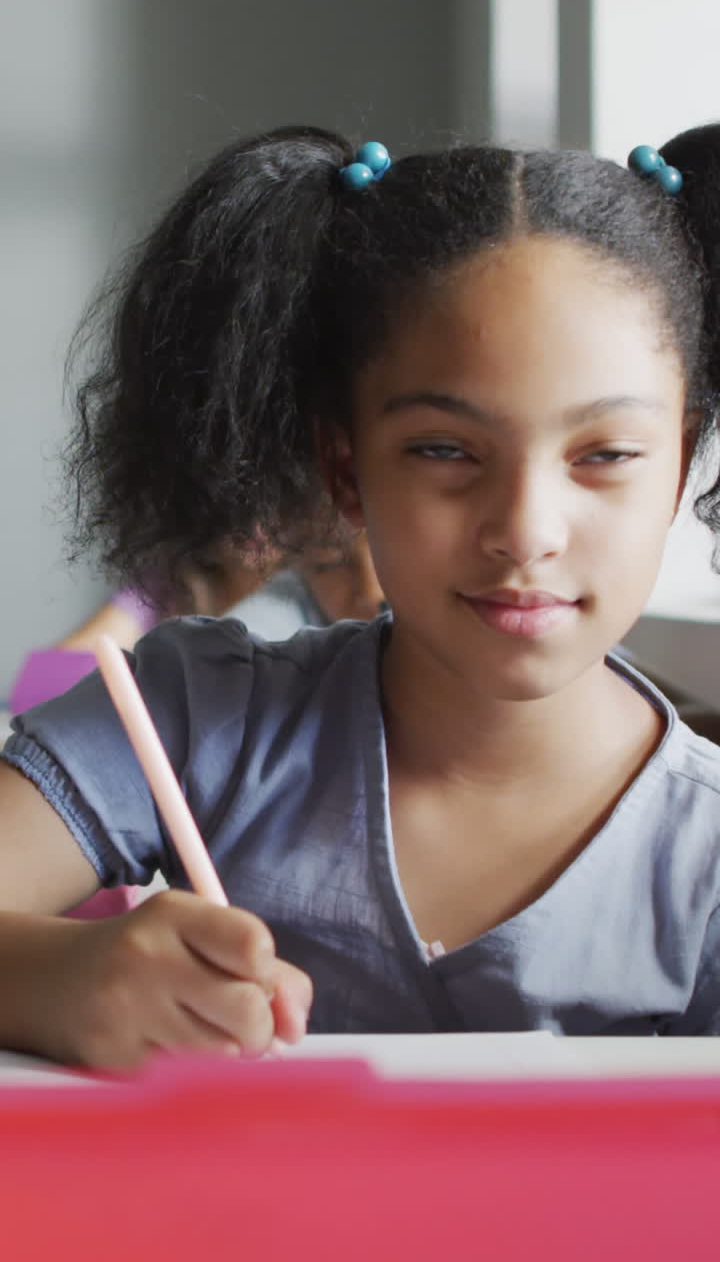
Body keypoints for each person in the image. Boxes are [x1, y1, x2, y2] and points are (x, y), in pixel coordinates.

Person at [1, 123, 720, 1069]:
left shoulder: (703, 858)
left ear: (678, 467)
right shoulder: (200, 717)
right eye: (445, 451)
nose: (526, 529)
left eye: (606, 456)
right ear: (345, 469)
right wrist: (56, 977)